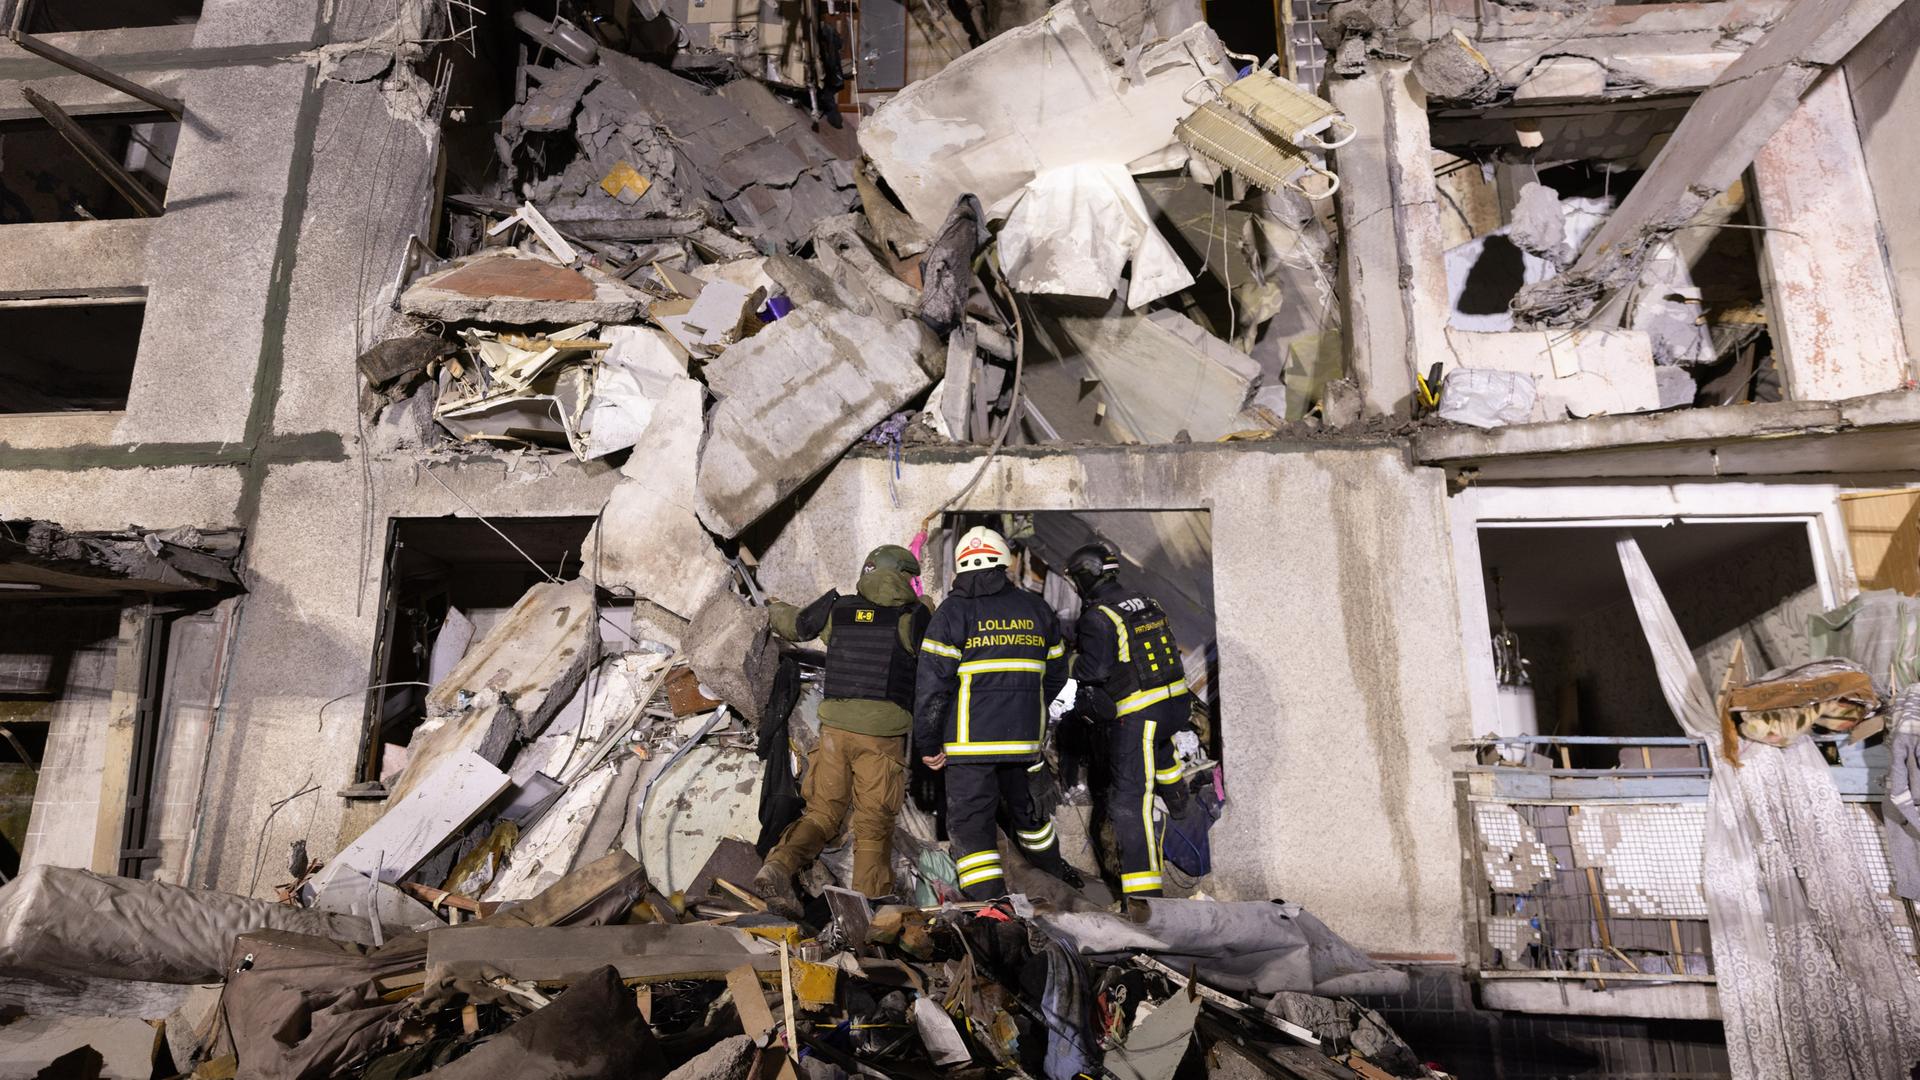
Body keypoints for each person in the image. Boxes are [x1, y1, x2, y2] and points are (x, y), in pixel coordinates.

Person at [752, 545, 933, 912]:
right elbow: (938, 645)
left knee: (821, 814)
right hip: (881, 739)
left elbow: (796, 624)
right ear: (904, 577)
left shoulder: (840, 610)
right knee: (872, 824)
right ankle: (865, 911)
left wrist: (770, 607)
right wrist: (927, 602)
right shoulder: (911, 617)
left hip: (834, 732)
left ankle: (778, 864)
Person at [914, 526, 1080, 899]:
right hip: (1024, 745)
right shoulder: (1036, 609)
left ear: (960, 568)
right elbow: (1057, 676)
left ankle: (990, 911)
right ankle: (1056, 882)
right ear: (1004, 563)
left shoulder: (952, 613)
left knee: (973, 829)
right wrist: (1027, 709)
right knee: (1031, 819)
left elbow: (932, 688)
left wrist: (928, 742)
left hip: (969, 749)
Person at [1064, 540, 1190, 898]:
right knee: (1157, 752)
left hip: (1139, 714)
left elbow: (1093, 671)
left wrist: (1066, 663)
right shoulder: (1147, 600)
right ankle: (1179, 799)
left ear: (1086, 577)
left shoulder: (1098, 616)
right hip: (1174, 707)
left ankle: (1144, 898)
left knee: (1128, 803)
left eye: (1076, 580)